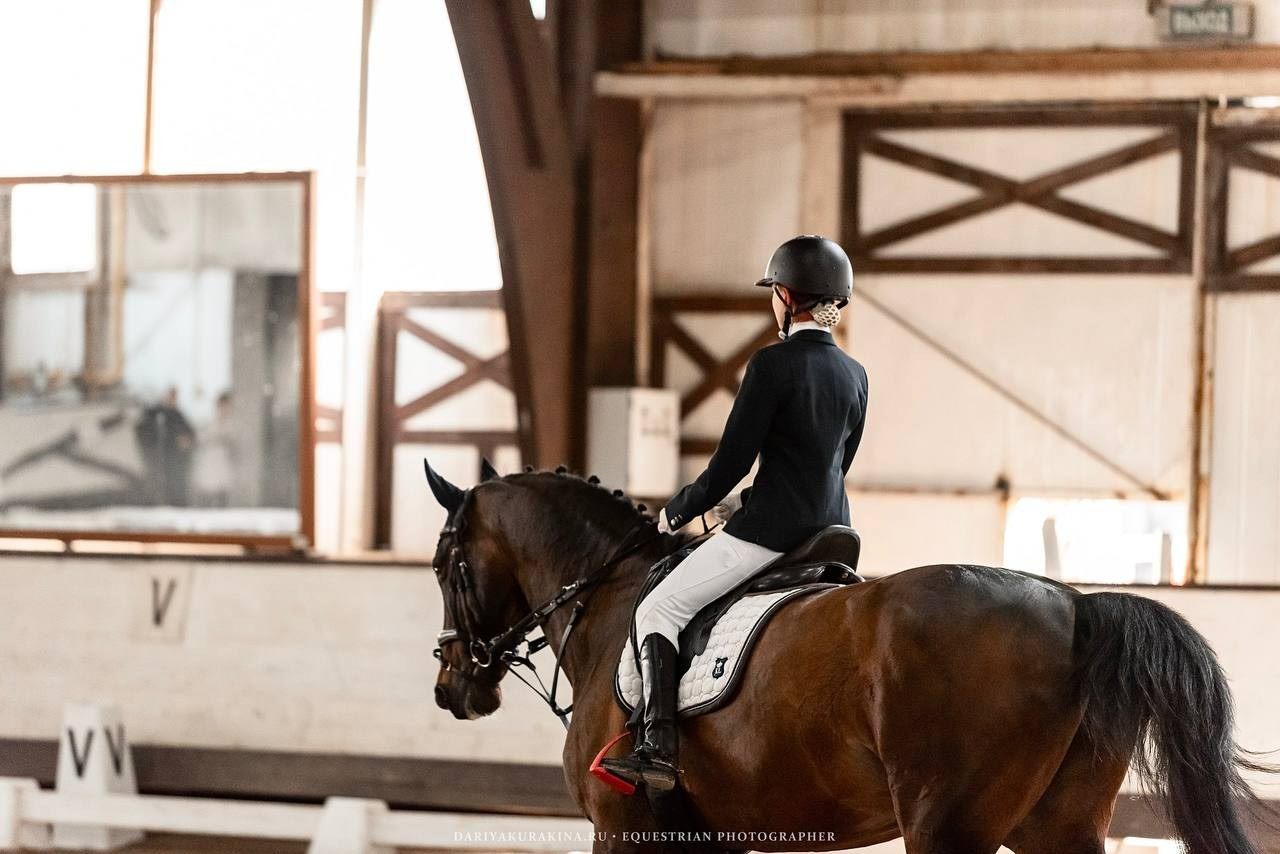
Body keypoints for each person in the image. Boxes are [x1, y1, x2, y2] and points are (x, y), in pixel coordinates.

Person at [599, 235, 869, 791]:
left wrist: (679, 510)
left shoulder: (771, 364)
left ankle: (656, 748)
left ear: (788, 297)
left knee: (659, 608)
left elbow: (731, 463)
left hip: (771, 535)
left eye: (774, 292)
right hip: (833, 534)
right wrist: (741, 503)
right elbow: (834, 463)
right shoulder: (855, 373)